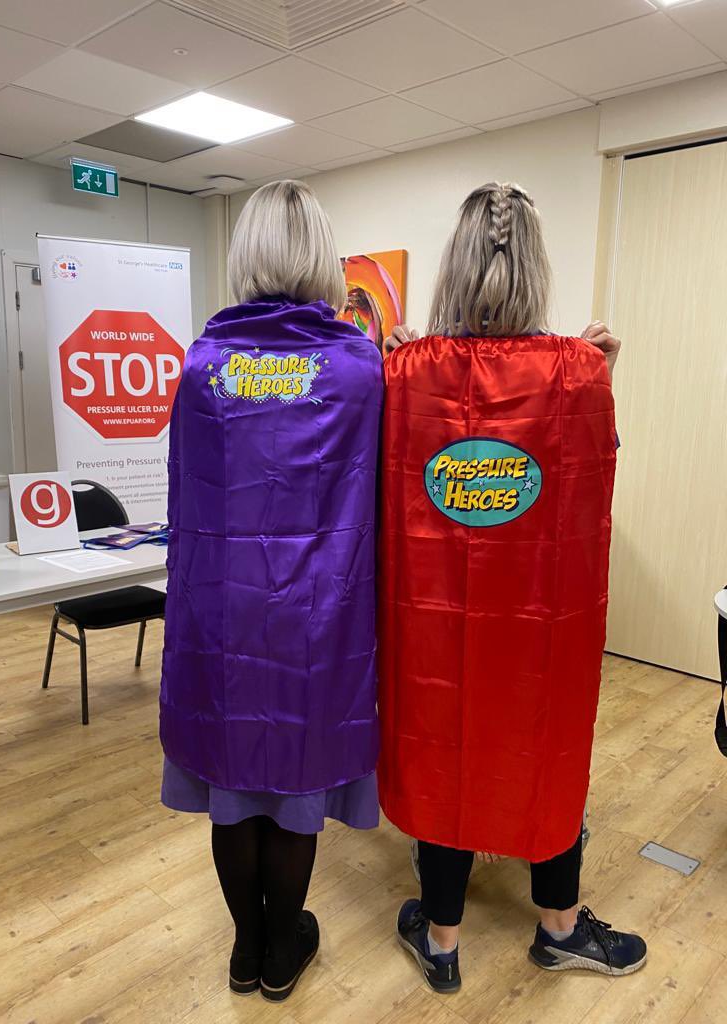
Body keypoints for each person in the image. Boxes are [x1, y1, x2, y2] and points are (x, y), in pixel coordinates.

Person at [378, 182, 645, 993]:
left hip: (435, 638)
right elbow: (594, 474)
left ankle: (445, 939)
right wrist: (602, 374)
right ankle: (560, 928)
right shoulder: (577, 370)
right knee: (548, 751)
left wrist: (404, 362)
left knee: (443, 752)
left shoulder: (405, 371)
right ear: (534, 267)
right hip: (540, 630)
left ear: (455, 265)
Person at [159, 181, 382, 1001]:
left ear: (244, 254)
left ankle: (246, 947)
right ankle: (285, 949)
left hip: (223, 610)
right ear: (322, 257)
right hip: (317, 617)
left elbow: (188, 497)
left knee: (233, 781)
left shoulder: (201, 368)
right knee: (292, 783)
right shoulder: (361, 369)